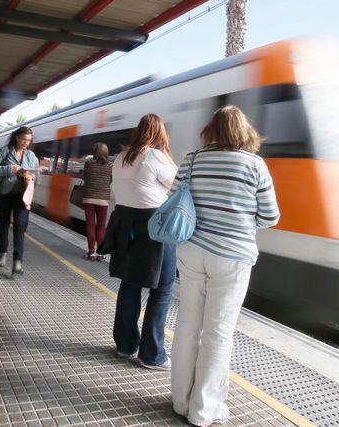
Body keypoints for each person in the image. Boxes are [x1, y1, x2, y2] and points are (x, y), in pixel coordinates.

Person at [170, 106, 280, 426]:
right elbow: (270, 217)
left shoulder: (192, 159)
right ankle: (204, 411)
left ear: (211, 130)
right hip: (232, 257)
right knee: (218, 334)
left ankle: (180, 401)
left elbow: (175, 199)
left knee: (188, 327)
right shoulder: (255, 165)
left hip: (192, 250)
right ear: (244, 132)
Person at [98, 113, 177, 372]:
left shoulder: (121, 156)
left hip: (124, 223)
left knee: (129, 285)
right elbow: (178, 185)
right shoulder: (154, 156)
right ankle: (152, 355)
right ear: (159, 133)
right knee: (162, 289)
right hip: (153, 226)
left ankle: (124, 345)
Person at [0, 126, 38, 275]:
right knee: (4, 223)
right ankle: (3, 253)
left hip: (23, 195)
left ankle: (18, 261)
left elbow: (36, 174)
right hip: (5, 193)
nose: (26, 143)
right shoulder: (4, 151)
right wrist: (10, 170)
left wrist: (31, 176)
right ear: (17, 137)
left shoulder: (31, 155)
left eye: (28, 140)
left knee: (20, 226)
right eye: (23, 139)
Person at [81, 142, 112, 261]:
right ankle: (101, 254)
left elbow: (84, 177)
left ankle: (91, 253)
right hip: (103, 199)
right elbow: (110, 180)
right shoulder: (110, 165)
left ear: (95, 152)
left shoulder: (89, 163)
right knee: (101, 227)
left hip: (88, 197)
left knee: (90, 225)